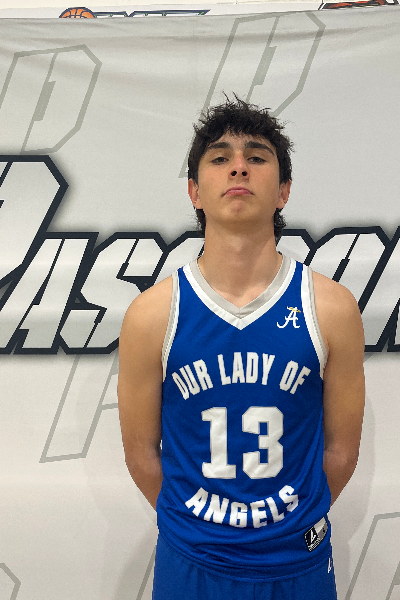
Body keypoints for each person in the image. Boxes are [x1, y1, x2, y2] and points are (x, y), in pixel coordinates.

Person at [117, 97, 365, 600]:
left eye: (256, 156)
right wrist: (199, 529)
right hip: (192, 563)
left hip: (297, 562)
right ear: (194, 190)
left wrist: (286, 523)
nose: (238, 167)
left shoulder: (331, 308)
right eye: (219, 157)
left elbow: (341, 452)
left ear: (284, 190)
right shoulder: (151, 314)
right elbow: (141, 454)